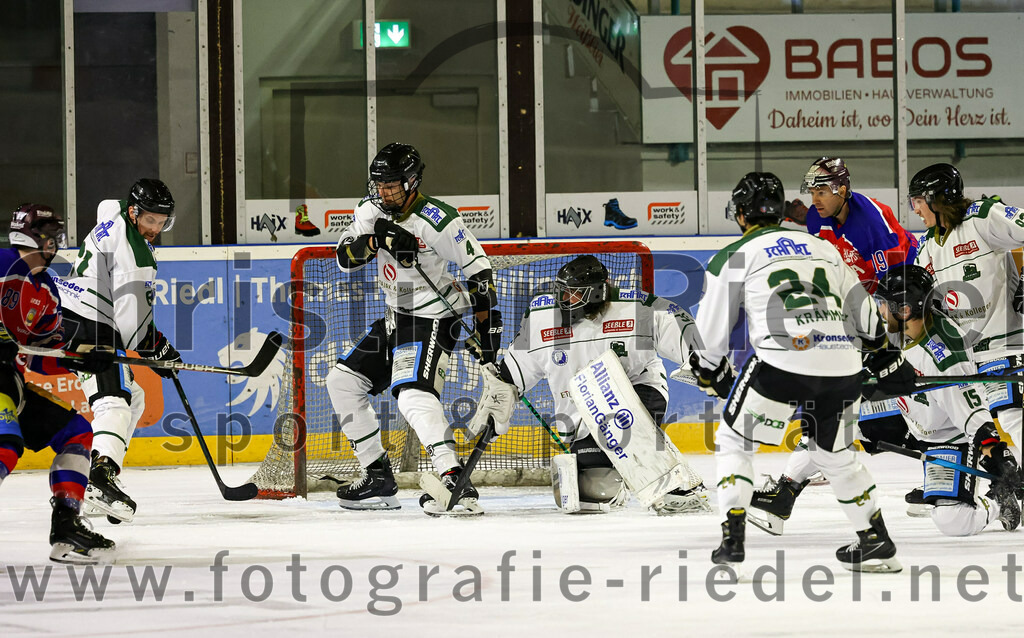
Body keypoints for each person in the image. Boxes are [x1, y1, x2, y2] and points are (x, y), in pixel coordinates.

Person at [690, 171, 916, 573]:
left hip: (782, 363)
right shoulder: (823, 247)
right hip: (843, 365)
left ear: (740, 214)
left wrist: (708, 371)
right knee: (834, 454)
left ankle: (733, 538)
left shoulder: (735, 254)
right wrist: (885, 359)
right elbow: (867, 319)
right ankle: (876, 539)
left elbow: (710, 336)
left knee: (734, 440)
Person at [754, 265, 1022, 537]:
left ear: (904, 309)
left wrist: (999, 460)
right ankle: (785, 492)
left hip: (945, 436)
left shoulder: (945, 357)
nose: (879, 309)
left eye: (884, 303)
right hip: (905, 413)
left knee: (953, 521)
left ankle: (997, 503)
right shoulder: (896, 326)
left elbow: (975, 420)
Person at [328, 142, 502, 514]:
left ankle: (454, 476)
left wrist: (486, 330)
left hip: (433, 317)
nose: (384, 192)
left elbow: (479, 272)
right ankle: (377, 477)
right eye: (380, 185)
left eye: (392, 185)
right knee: (342, 382)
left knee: (410, 394)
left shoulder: (438, 220)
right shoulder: (370, 210)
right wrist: (378, 240)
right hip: (396, 316)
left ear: (412, 182)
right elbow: (344, 257)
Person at [469, 255, 710, 515]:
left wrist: (700, 359)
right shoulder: (542, 318)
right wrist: (499, 397)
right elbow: (512, 375)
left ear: (596, 294)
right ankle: (619, 479)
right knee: (592, 493)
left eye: (573, 294)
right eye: (561, 292)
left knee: (622, 420)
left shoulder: (636, 308)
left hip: (638, 390)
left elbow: (676, 319)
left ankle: (676, 486)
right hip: (583, 415)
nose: (564, 300)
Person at [758, 157, 922, 510]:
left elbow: (899, 289)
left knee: (909, 403)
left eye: (822, 191)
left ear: (843, 190)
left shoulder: (874, 224)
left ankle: (941, 469)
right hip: (864, 305)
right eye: (812, 192)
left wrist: (886, 346)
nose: (815, 199)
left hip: (907, 297)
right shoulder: (817, 217)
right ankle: (798, 477)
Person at [57, 178, 183, 523]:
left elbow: (106, 204)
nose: (155, 228)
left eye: (162, 221)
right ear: (134, 212)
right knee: (113, 401)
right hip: (90, 326)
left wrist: (157, 348)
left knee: (134, 398)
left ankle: (104, 472)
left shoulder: (113, 213)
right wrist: (159, 350)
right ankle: (98, 479)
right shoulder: (136, 258)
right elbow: (132, 330)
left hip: (71, 315)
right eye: (150, 220)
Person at [0, 204, 117, 562]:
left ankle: (66, 525)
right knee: (5, 443)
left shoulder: (46, 289)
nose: (54, 243)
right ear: (29, 234)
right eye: (49, 235)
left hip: (9, 381)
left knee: (76, 432)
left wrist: (81, 359)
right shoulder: (2, 264)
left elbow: (40, 355)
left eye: (57, 236)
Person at [910, 163, 1024, 465]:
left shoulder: (983, 216)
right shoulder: (926, 246)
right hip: (964, 359)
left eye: (918, 201)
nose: (915, 210)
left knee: (1012, 416)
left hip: (1003, 346)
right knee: (973, 428)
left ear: (936, 198)